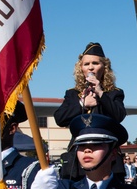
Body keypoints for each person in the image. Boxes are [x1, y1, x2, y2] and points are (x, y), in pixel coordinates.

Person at [53, 43, 127, 181]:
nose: (91, 67)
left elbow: (119, 115)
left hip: (107, 153)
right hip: (80, 154)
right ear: (81, 68)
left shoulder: (113, 93)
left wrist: (100, 93)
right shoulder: (72, 94)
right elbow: (59, 118)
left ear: (104, 67)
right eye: (86, 64)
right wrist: (83, 103)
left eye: (95, 63)